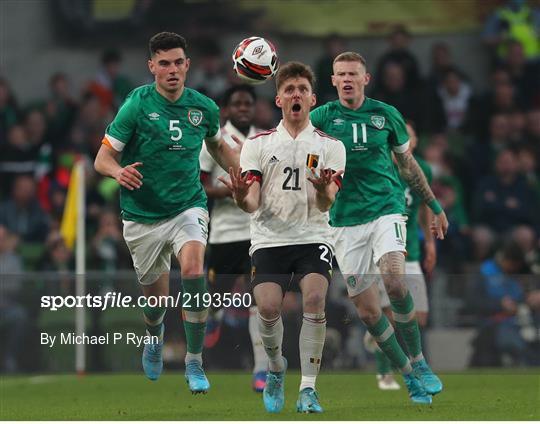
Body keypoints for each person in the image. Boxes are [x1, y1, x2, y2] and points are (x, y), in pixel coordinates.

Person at [94, 32, 240, 394]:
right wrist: (118, 171)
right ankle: (155, 335)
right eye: (164, 63)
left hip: (187, 206)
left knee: (193, 271)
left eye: (178, 62)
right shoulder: (136, 105)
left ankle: (194, 361)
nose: (172, 70)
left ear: (187, 65)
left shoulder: (203, 107)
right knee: (155, 303)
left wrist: (241, 171)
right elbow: (102, 158)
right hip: (141, 214)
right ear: (152, 67)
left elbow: (218, 146)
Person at [310, 52, 448, 405]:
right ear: (333, 80)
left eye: (353, 74)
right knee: (370, 313)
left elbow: (408, 165)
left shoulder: (385, 115)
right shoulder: (322, 118)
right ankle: (408, 375)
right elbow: (302, 150)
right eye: (340, 74)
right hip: (344, 222)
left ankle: (420, 361)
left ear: (365, 79)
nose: (346, 80)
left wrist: (433, 204)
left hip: (387, 209)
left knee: (395, 278)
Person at [220, 62, 345, 413]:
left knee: (315, 300)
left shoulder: (330, 147)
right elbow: (252, 203)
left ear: (312, 99)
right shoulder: (257, 145)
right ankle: (275, 368)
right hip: (269, 239)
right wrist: (239, 195)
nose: (296, 95)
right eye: (289, 89)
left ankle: (308, 389)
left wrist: (321, 190)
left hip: (313, 235)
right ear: (278, 99)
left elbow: (327, 201)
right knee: (269, 308)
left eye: (302, 89)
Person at [198, 84, 266, 392]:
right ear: (226, 109)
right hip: (224, 232)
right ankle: (213, 315)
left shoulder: (264, 139)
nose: (243, 108)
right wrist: (229, 191)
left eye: (248, 103)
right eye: (237, 103)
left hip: (257, 231)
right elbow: (199, 187)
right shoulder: (214, 140)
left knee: (259, 301)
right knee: (218, 293)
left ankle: (261, 369)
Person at [364, 122, 437, 390]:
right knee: (391, 315)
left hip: (412, 251)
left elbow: (423, 206)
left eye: (410, 133)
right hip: (384, 250)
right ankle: (385, 374)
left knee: (419, 318)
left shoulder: (423, 169)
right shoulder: (380, 166)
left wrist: (430, 243)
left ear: (413, 141)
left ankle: (376, 337)